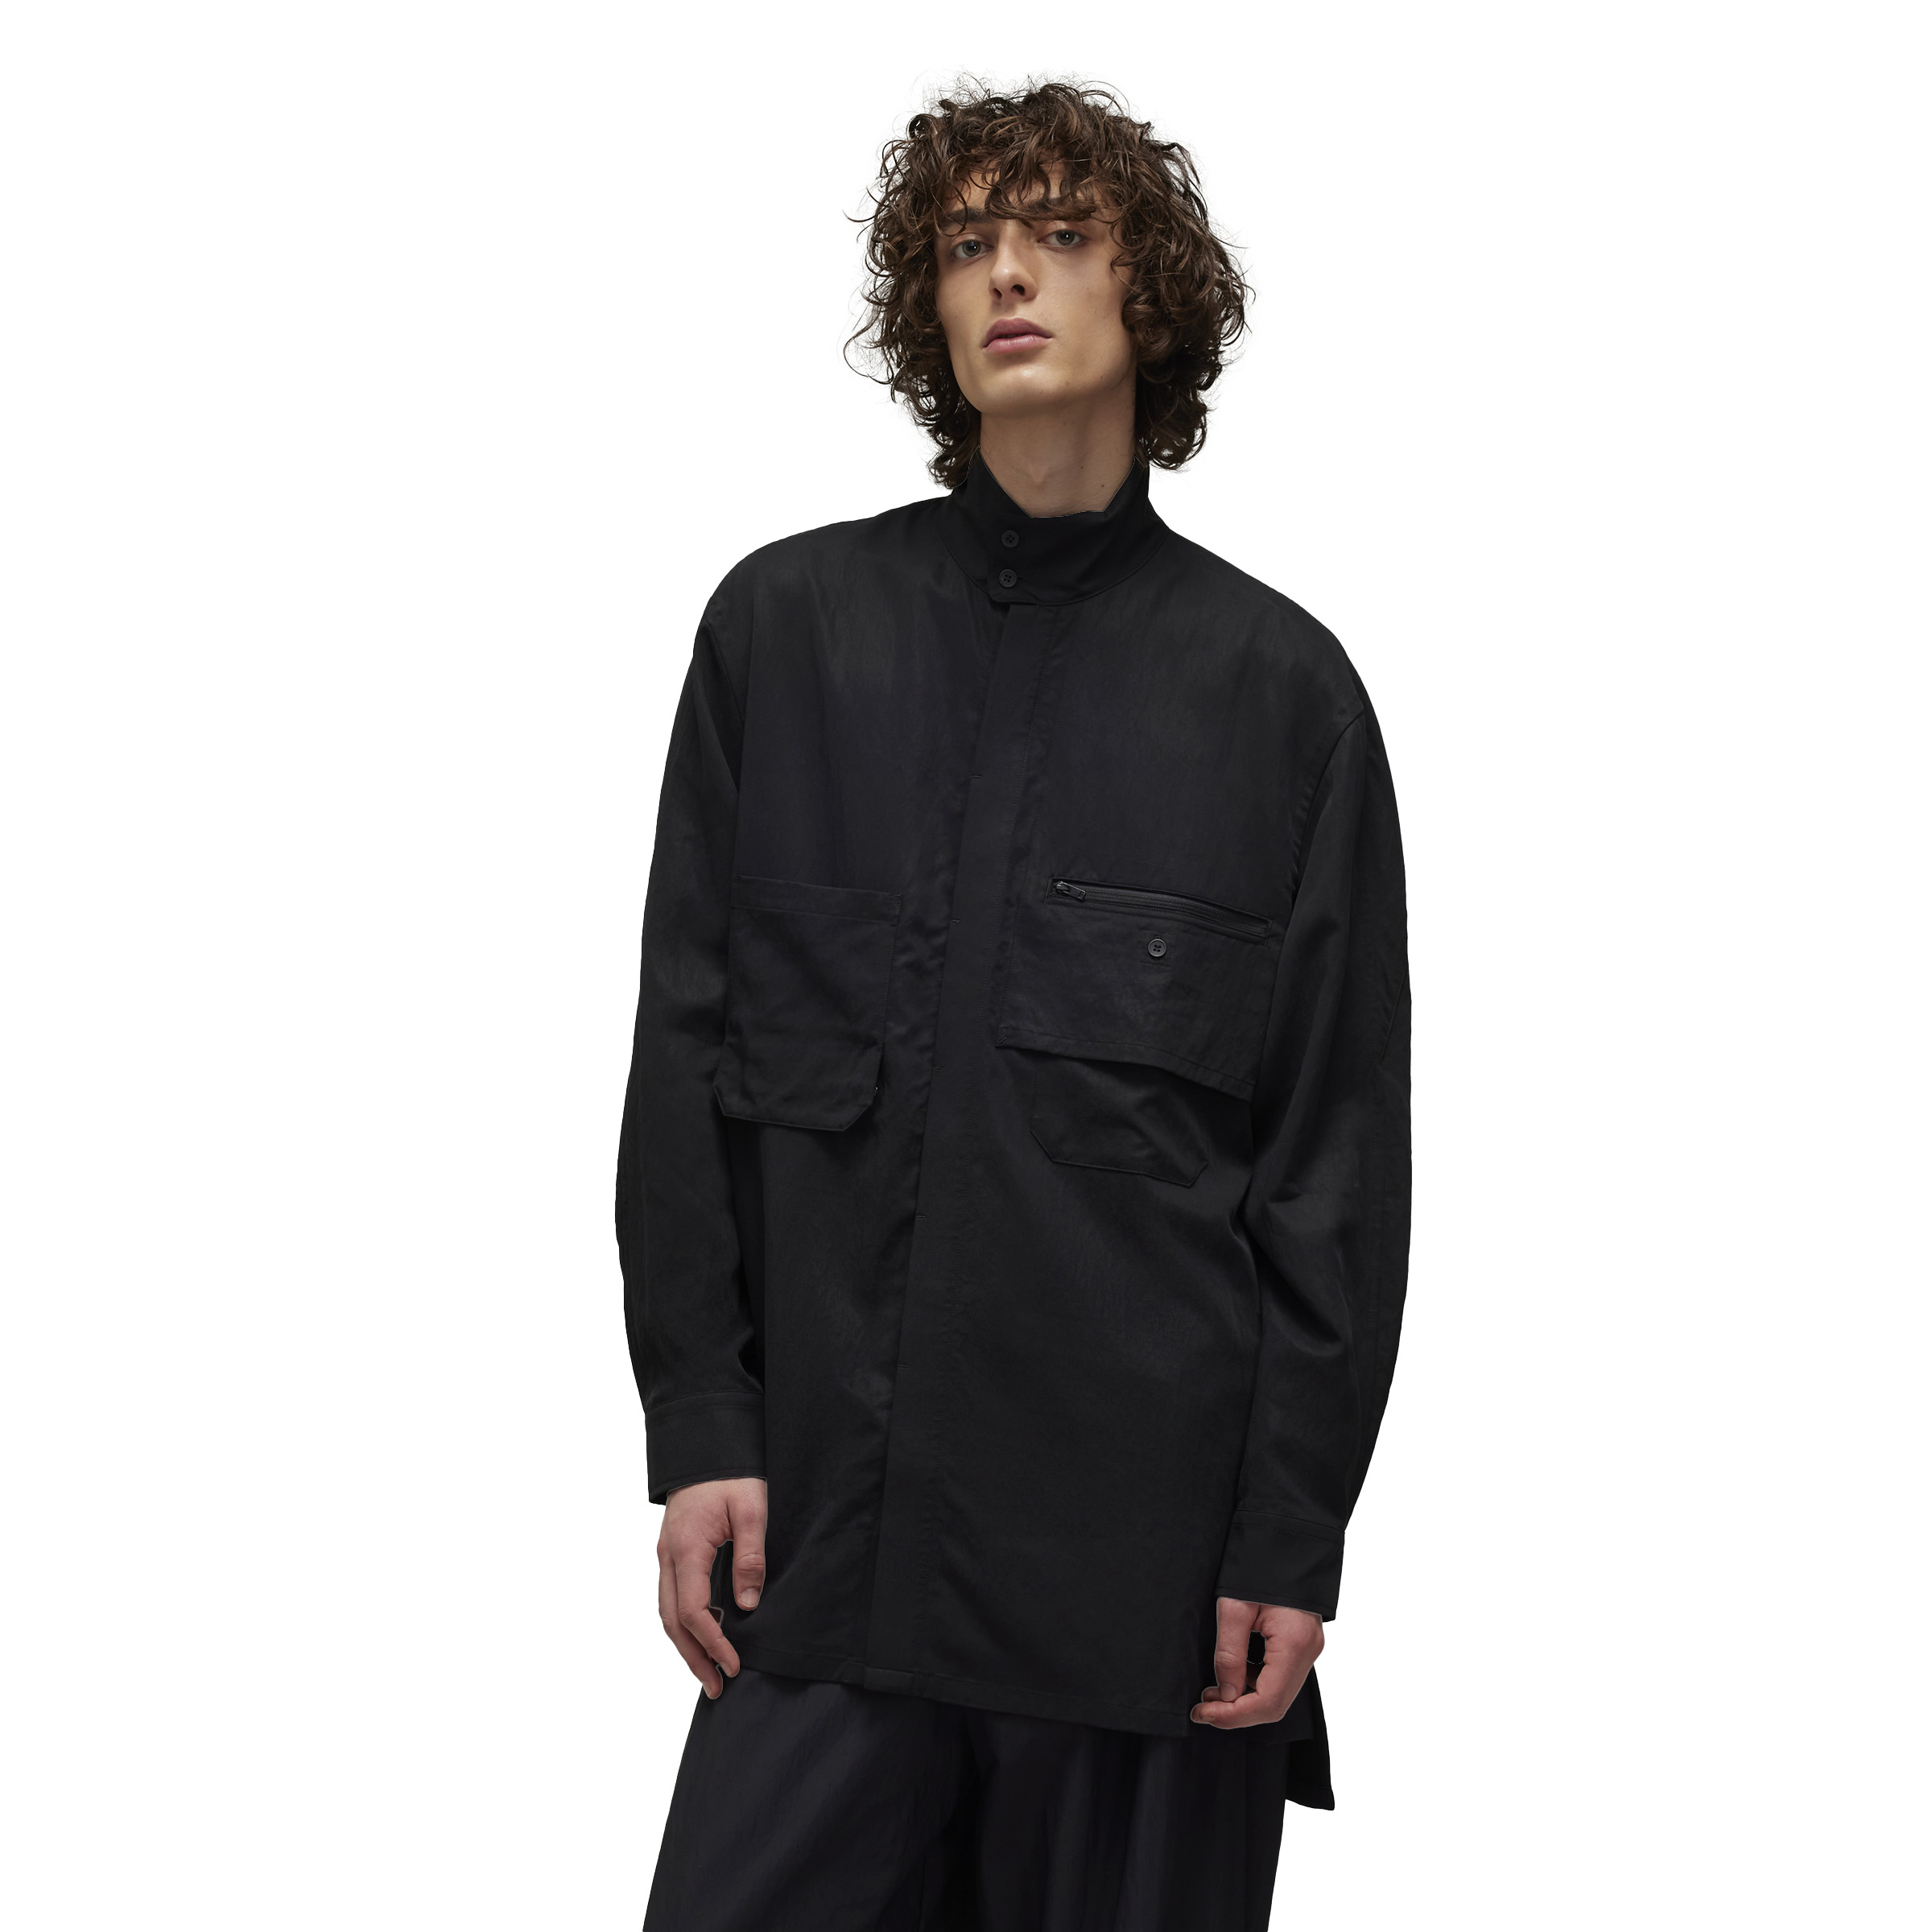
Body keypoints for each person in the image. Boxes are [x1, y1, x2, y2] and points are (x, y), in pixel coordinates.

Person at [617, 80, 1411, 1932]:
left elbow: (1333, 1162)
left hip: (1142, 1606)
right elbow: (684, 1071)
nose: (1006, 276)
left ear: (1152, 292)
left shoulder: (1280, 698)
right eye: (967, 242)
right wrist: (703, 1424)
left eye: (1060, 234)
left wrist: (1289, 1533)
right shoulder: (786, 639)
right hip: (827, 1563)